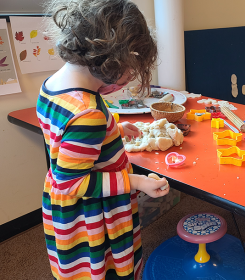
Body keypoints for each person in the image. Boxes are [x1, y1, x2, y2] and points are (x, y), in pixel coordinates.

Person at [37, 1, 167, 279]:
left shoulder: (52, 87)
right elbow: (72, 183)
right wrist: (138, 181)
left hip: (67, 212)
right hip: (95, 215)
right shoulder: (88, 114)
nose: (130, 77)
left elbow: (67, 143)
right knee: (104, 269)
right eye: (131, 70)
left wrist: (115, 128)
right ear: (111, 62)